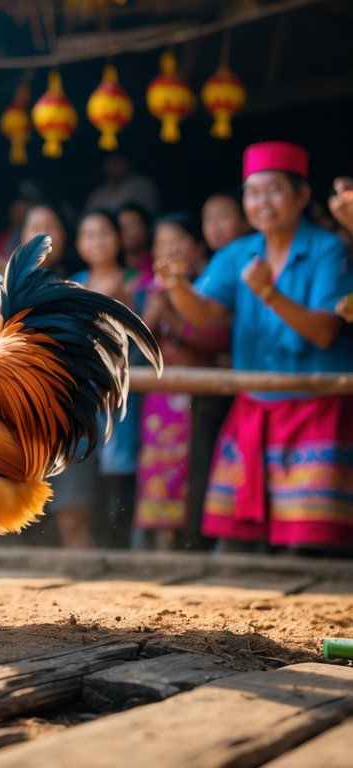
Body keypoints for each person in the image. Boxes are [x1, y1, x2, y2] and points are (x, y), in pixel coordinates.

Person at [158, 141, 353, 554]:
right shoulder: (237, 252)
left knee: (308, 544)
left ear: (301, 196)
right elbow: (205, 313)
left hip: (316, 406)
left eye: (274, 190)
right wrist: (176, 285)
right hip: (255, 404)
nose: (261, 202)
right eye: (253, 192)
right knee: (234, 541)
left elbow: (324, 331)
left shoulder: (327, 248)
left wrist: (269, 292)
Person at [48, 210, 147, 549]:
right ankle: (81, 564)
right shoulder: (69, 285)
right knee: (75, 500)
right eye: (88, 235)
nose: (97, 241)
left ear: (119, 238)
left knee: (120, 496)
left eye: (104, 232)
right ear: (78, 243)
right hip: (77, 404)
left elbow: (150, 340)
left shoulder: (141, 282)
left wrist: (128, 303)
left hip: (127, 403)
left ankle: (123, 565)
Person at [135, 214, 229, 550]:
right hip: (161, 400)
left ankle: (194, 543)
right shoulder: (151, 291)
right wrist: (154, 313)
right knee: (158, 469)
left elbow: (213, 340)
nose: (169, 251)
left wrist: (173, 317)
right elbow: (139, 349)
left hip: (200, 397)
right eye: (161, 244)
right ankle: (162, 543)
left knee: (195, 468)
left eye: (177, 242)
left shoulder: (209, 287)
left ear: (196, 246)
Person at [84, 154, 161, 215]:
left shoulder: (142, 186)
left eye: (117, 162)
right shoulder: (99, 193)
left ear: (128, 164)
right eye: (110, 163)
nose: (114, 167)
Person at [117, 203, 154, 274]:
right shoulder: (111, 266)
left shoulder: (156, 262)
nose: (125, 231)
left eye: (132, 225)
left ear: (145, 228)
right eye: (121, 226)